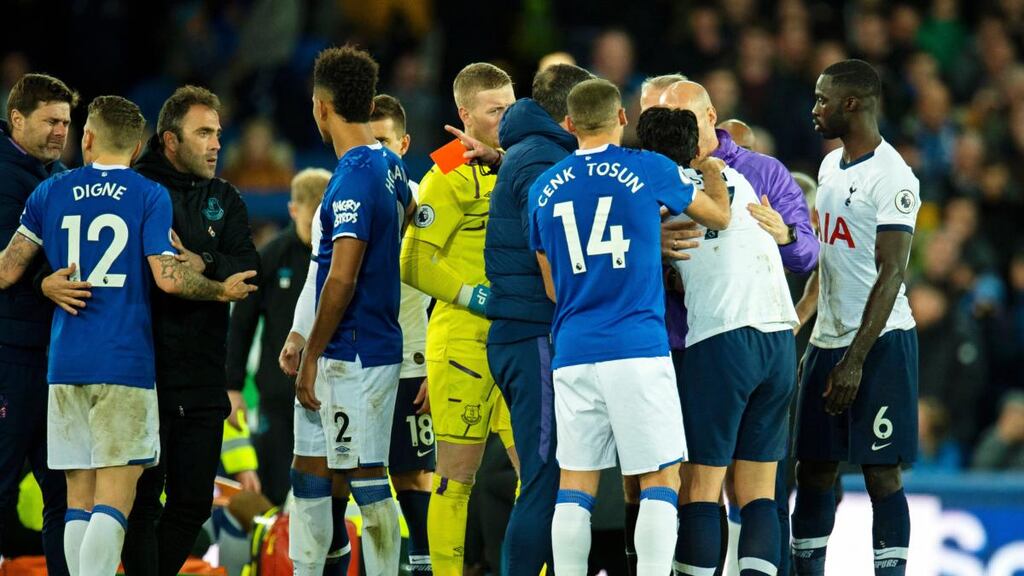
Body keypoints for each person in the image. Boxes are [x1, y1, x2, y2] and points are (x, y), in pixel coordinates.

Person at [0, 95, 256, 576]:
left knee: (77, 500)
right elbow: (168, 278)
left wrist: (43, 282)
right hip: (124, 365)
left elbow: (6, 270)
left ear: (87, 138)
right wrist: (220, 289)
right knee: (115, 504)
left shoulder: (50, 191)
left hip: (64, 365)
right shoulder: (147, 194)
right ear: (138, 147)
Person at [530, 78, 731, 575]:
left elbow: (552, 287)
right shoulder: (648, 168)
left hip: (573, 350)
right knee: (660, 480)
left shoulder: (542, 189)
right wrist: (711, 172)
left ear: (569, 124)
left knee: (575, 485)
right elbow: (718, 217)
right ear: (622, 117)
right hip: (637, 347)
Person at [638, 105, 799, 576]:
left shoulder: (654, 195)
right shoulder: (736, 178)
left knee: (700, 488)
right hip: (778, 337)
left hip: (722, 339)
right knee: (758, 493)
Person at [287, 45, 414, 576]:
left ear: (322, 107)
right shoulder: (389, 165)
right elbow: (408, 214)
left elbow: (341, 277)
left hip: (352, 355)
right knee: (310, 470)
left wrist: (312, 355)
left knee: (366, 477)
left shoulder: (354, 176)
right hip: (363, 344)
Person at [791, 59, 921, 576]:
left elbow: (892, 273)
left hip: (880, 343)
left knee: (880, 472)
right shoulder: (829, 166)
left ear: (852, 103)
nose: (814, 109)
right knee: (813, 469)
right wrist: (804, 324)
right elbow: (827, 259)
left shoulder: (893, 176)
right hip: (828, 342)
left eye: (822, 99)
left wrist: (855, 360)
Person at [399, 62, 518, 575]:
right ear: (464, 114)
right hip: (466, 340)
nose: (505, 119)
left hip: (519, 338)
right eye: (494, 111)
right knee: (454, 478)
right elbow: (413, 261)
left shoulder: (520, 163)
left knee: (538, 475)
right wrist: (478, 298)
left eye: (511, 108)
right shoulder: (445, 172)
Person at [484, 62, 595, 575]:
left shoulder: (533, 151)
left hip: (526, 332)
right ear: (572, 112)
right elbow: (551, 242)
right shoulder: (543, 160)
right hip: (534, 332)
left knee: (550, 475)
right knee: (544, 479)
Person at [0, 72, 77, 576]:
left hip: (55, 358)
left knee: (63, 489)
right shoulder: (4, 176)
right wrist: (39, 284)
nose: (60, 131)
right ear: (17, 119)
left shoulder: (61, 177)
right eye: (50, 121)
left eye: (66, 122)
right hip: (9, 354)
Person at [226, 167, 331, 506]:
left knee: (326, 485)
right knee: (278, 484)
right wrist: (233, 387)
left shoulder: (340, 256)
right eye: (311, 221)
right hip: (278, 393)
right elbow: (241, 323)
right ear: (293, 210)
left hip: (329, 389)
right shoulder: (271, 257)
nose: (317, 230)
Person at [369, 93, 434, 574]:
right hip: (360, 359)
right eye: (367, 142)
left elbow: (444, 284)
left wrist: (437, 363)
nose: (377, 153)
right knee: (362, 475)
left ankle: (425, 564)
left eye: (384, 142)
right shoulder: (343, 196)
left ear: (404, 144)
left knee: (414, 474)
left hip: (413, 356)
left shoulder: (424, 203)